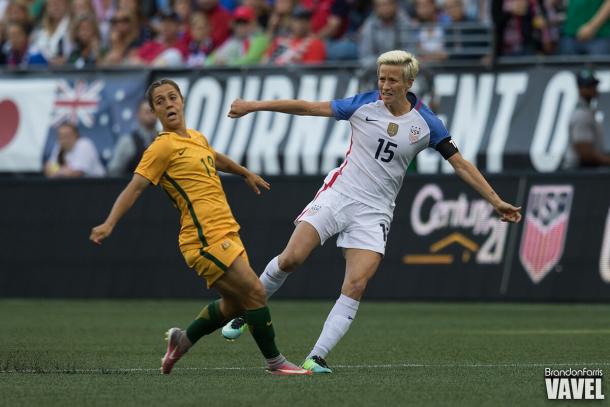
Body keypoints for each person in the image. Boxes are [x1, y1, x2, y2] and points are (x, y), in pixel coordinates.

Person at [223, 50, 522, 373]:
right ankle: (246, 310)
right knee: (291, 258)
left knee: (356, 284)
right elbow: (308, 107)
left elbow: (460, 164)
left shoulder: (426, 123)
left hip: (375, 212)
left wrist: (496, 201)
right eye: (382, 78)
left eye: (393, 79)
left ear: (409, 82)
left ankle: (316, 357)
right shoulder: (362, 105)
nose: (385, 85)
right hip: (339, 194)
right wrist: (254, 106)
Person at [89, 79, 310, 376]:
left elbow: (214, 158)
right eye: (160, 101)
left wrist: (244, 172)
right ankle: (276, 363)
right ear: (154, 111)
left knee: (233, 305)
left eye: (172, 97)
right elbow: (135, 188)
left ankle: (183, 339)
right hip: (203, 238)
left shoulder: (195, 138)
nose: (168, 104)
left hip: (225, 231)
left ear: (182, 101)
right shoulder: (161, 147)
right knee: (256, 292)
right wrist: (109, 223)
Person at [563, 69, 610, 169]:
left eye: (594, 85)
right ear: (580, 89)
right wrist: (607, 160)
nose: (593, 88)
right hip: (578, 171)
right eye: (589, 86)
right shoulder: (581, 115)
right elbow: (584, 152)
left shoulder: (587, 111)